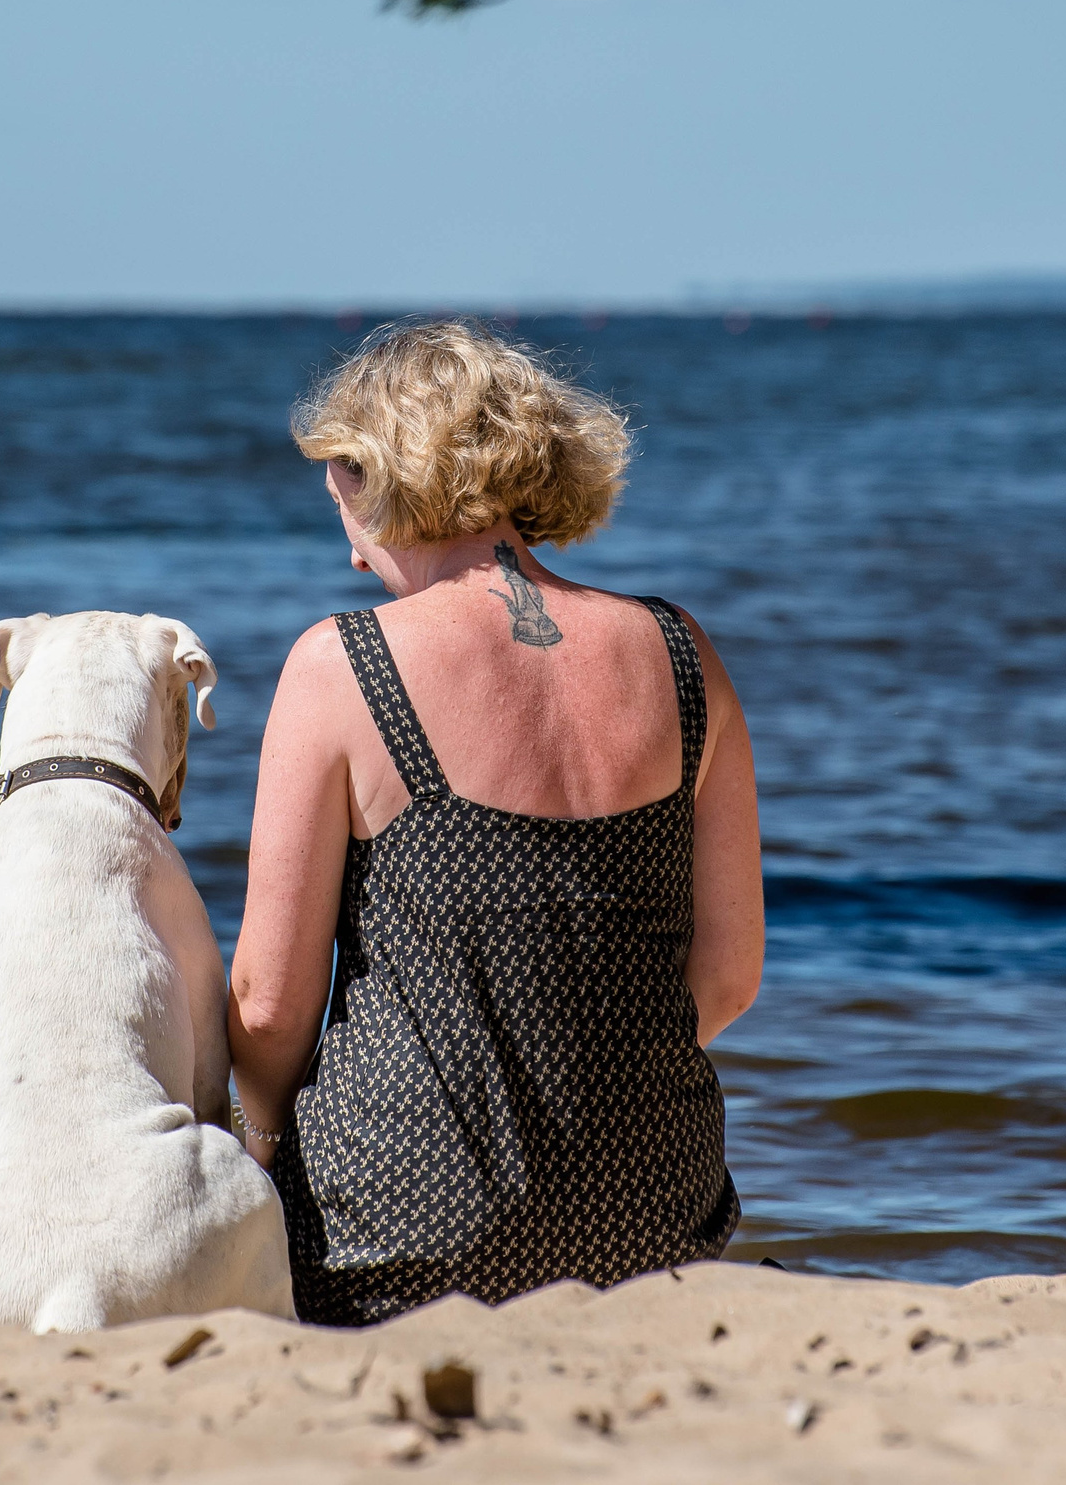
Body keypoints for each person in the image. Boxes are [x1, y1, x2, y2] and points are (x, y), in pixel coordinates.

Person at [229, 320, 764, 1327]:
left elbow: (265, 1005)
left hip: (403, 1229)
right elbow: (730, 975)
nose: (348, 545)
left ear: (382, 471)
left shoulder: (343, 665)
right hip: (654, 1219)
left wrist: (255, 1145)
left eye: (339, 486)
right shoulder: (682, 652)